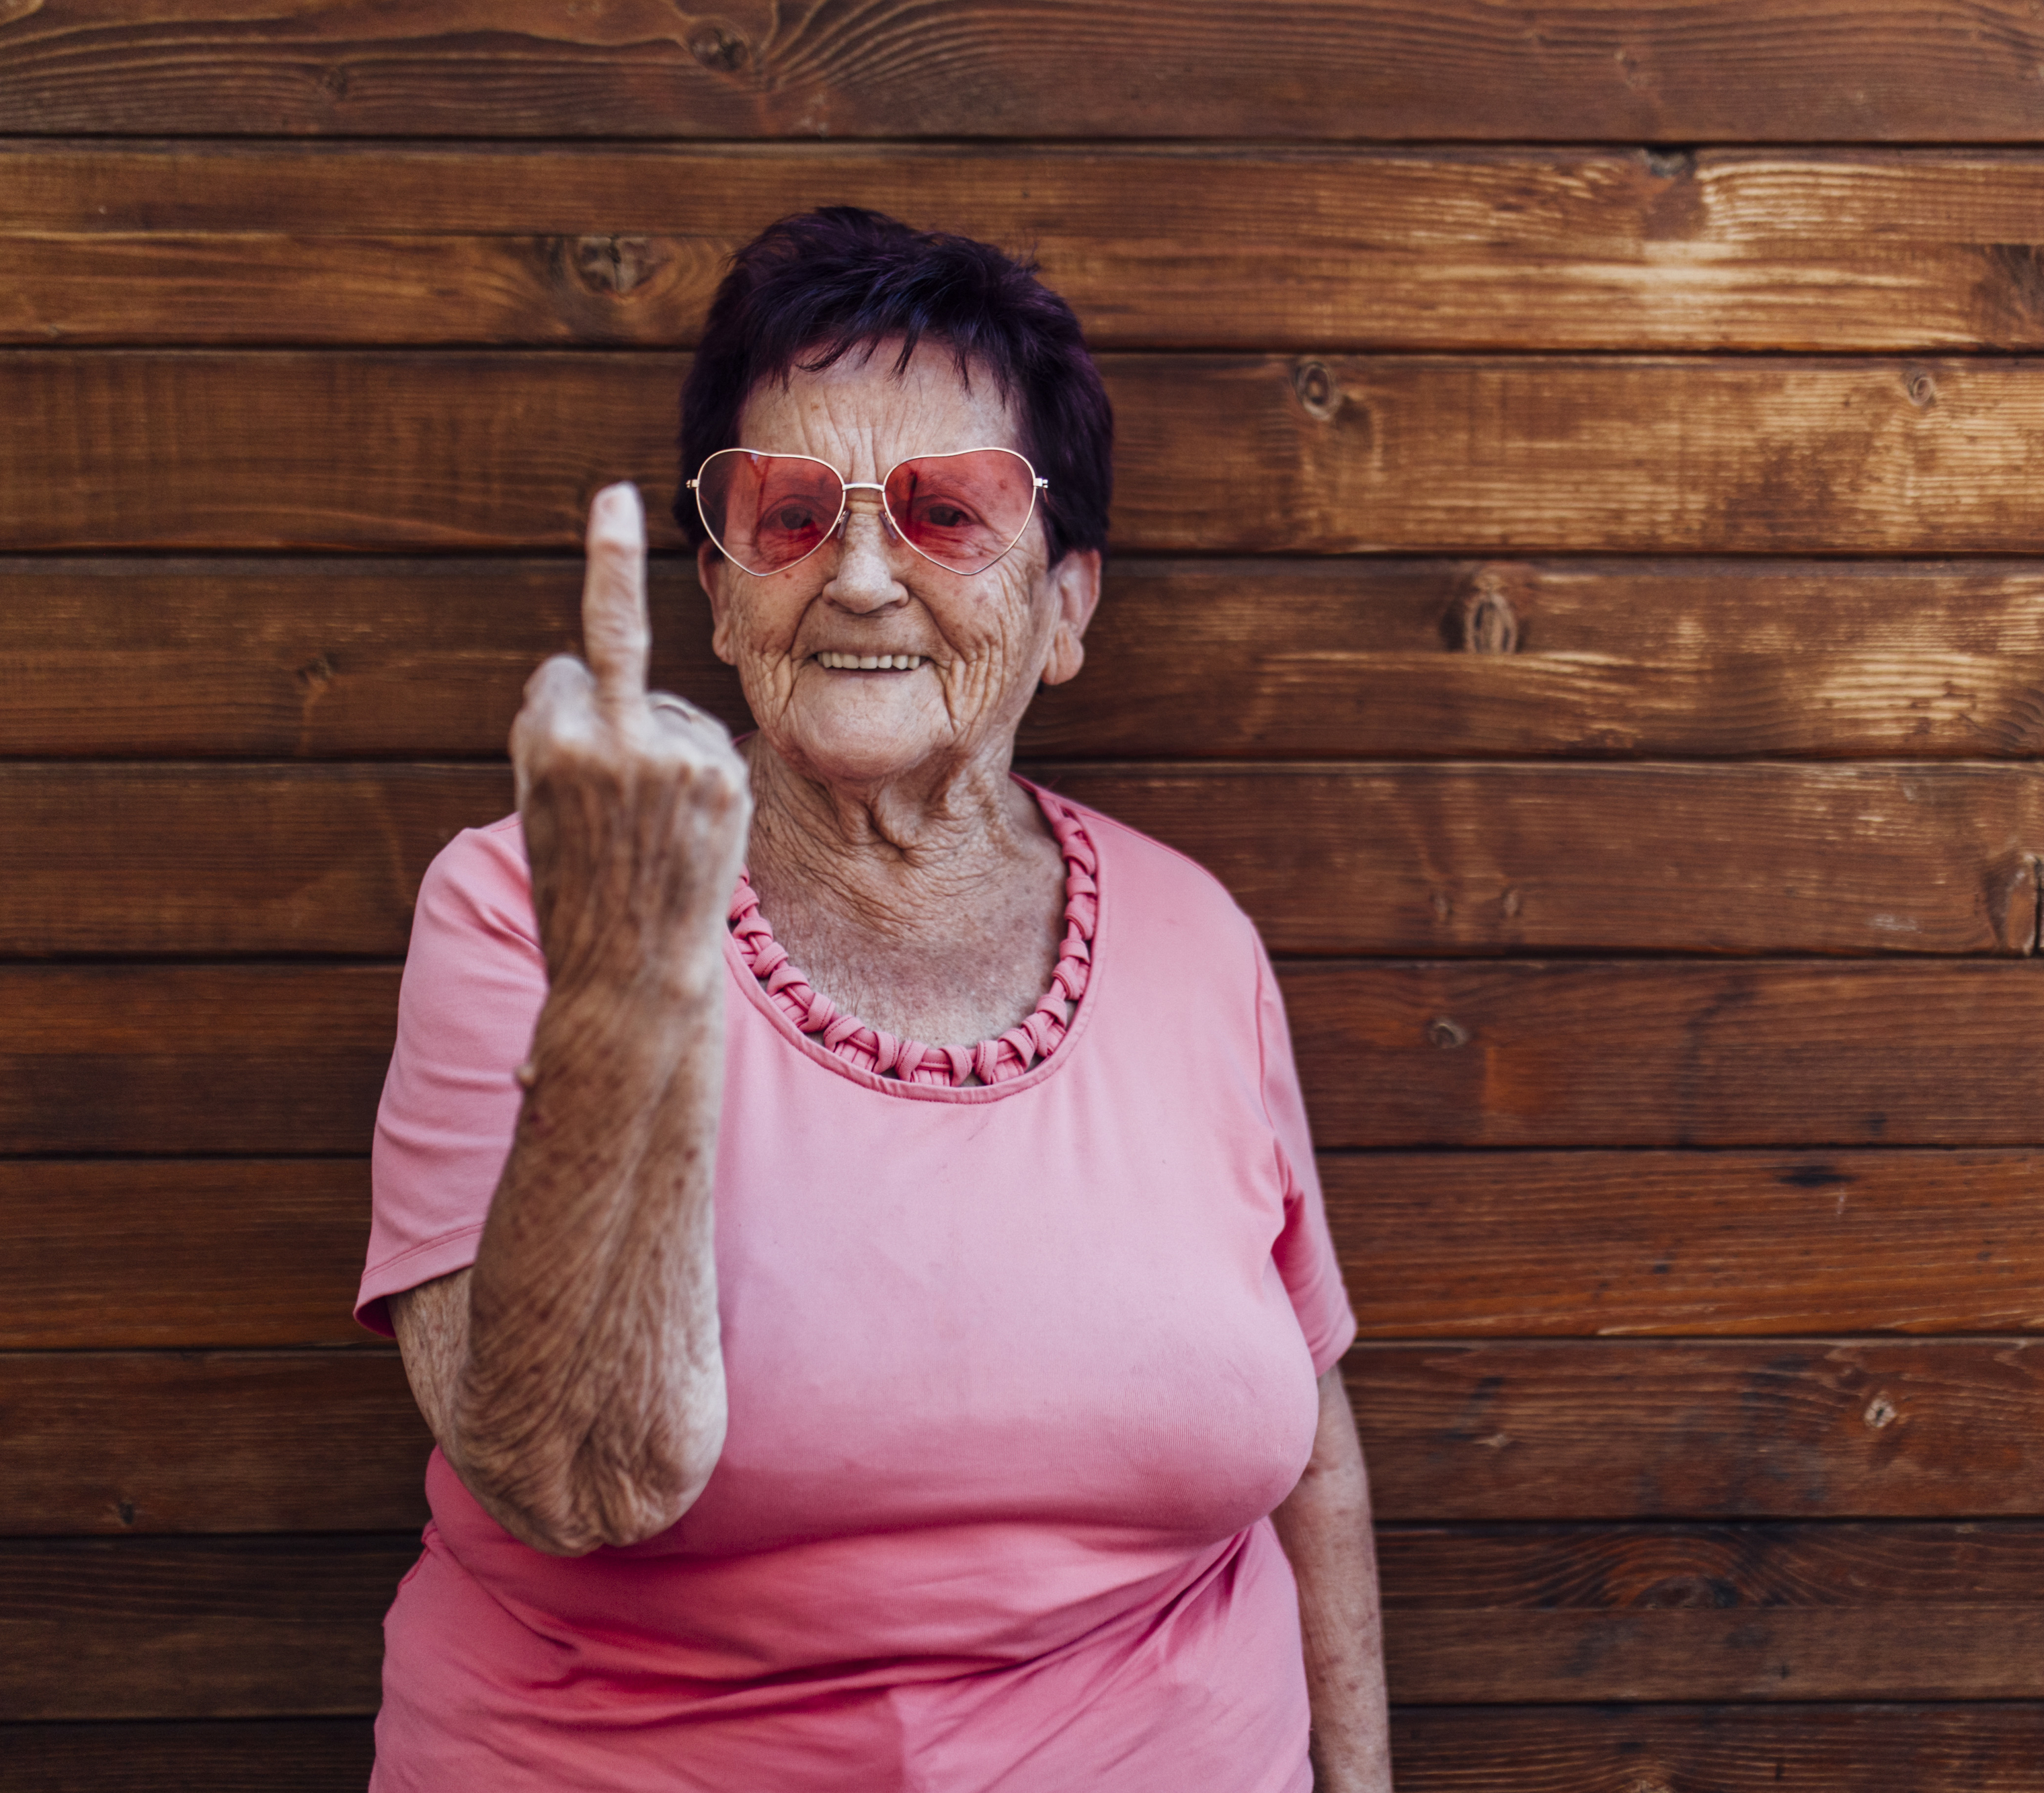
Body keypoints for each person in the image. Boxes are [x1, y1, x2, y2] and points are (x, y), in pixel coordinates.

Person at [355, 207, 1391, 1790]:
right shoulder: (526, 900)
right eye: (785, 513)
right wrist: (631, 976)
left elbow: (1301, 1436)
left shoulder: (1197, 936)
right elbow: (562, 1472)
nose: (854, 576)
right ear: (716, 593)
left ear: (1066, 607)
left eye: (946, 514)